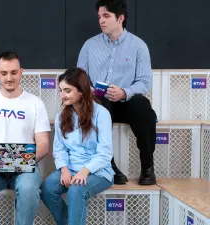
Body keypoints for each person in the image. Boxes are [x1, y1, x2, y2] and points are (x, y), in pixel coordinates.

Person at [77, 0, 157, 185]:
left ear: (120, 18)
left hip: (126, 102)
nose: (101, 21)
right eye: (99, 17)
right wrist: (93, 90)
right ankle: (108, 165)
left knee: (143, 107)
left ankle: (148, 167)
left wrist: (124, 92)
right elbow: (79, 79)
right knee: (98, 103)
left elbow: (144, 83)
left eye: (106, 16)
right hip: (100, 101)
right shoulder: (89, 46)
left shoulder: (139, 46)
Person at [0, 52, 51, 225]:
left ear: (21, 72)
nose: (9, 77)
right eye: (4, 73)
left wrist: (16, 161)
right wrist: (5, 161)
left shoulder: (35, 103)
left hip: (26, 166)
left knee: (29, 189)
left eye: (14, 72)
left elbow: (43, 144)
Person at [40, 68, 113, 225]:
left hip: (98, 171)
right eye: (60, 90)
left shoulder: (102, 114)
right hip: (71, 167)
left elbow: (105, 153)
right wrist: (64, 169)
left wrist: (85, 171)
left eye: (67, 90)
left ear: (81, 91)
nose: (62, 95)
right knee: (46, 189)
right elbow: (59, 149)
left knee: (76, 190)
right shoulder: (62, 116)